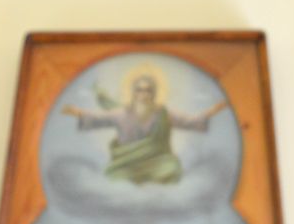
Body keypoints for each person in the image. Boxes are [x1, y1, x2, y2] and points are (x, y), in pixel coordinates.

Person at [62, 76, 227, 185]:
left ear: (153, 93)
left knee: (173, 168)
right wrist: (78, 113)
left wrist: (211, 112)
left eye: (147, 90)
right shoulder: (121, 113)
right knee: (113, 179)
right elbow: (99, 119)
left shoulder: (163, 113)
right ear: (134, 93)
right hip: (126, 164)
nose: (143, 94)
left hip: (158, 162)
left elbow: (189, 121)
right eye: (139, 89)